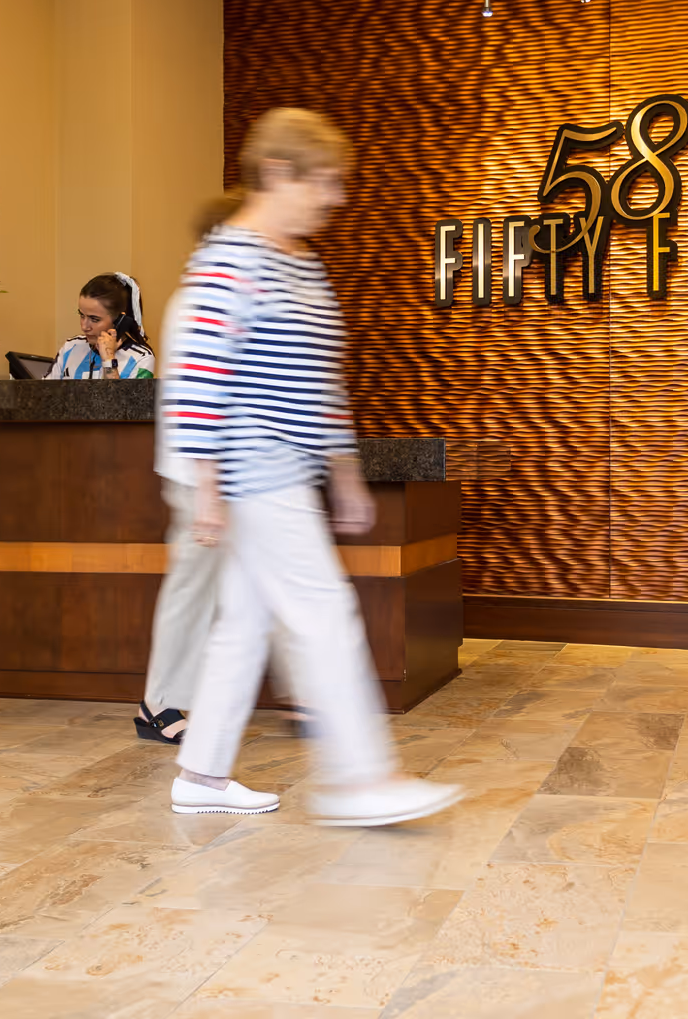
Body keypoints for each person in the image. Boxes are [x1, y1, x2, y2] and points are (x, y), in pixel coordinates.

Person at [159, 108, 464, 825]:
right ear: (276, 174)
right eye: (324, 181)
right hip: (253, 468)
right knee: (324, 613)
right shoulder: (231, 257)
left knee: (246, 623)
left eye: (339, 181)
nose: (336, 196)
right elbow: (201, 375)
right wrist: (206, 486)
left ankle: (201, 774)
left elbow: (322, 382)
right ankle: (361, 781)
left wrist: (348, 473)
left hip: (288, 468)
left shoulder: (301, 264)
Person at [137, 196, 244, 745]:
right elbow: (200, 400)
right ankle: (160, 701)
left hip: (218, 475)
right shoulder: (199, 300)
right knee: (191, 590)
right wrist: (210, 485)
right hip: (198, 475)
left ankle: (179, 696)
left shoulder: (220, 294)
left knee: (214, 592)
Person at [47, 273, 156, 379]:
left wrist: (109, 361)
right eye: (82, 315)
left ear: (120, 321)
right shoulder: (70, 347)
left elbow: (120, 398)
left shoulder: (141, 359)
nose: (84, 327)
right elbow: (44, 394)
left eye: (94, 319)